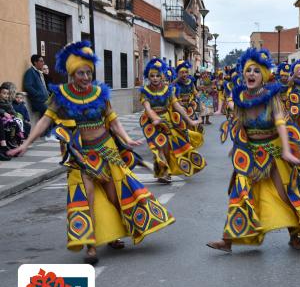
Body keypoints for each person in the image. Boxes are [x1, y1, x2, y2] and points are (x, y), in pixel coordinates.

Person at [9, 41, 175, 264]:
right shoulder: (61, 96)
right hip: (80, 155)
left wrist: (126, 139)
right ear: (71, 73)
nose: (86, 77)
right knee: (85, 199)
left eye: (88, 72)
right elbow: (45, 121)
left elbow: (113, 120)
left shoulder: (99, 92)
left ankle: (115, 234)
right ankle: (90, 246)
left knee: (115, 197)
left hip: (107, 151)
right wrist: (26, 144)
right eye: (81, 73)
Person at [206, 48, 300, 253]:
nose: (251, 74)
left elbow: (280, 123)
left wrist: (287, 151)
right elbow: (239, 124)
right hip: (251, 154)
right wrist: (237, 148)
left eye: (256, 70)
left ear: (264, 75)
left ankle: (294, 235)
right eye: (248, 70)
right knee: (240, 193)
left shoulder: (272, 96)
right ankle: (228, 240)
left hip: (275, 151)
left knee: (286, 194)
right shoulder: (240, 96)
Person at [139, 58, 206, 184]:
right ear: (148, 76)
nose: (155, 78)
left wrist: (190, 121)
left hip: (168, 120)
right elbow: (147, 109)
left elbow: (177, 107)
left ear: (162, 75)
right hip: (151, 122)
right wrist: (155, 119)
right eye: (152, 75)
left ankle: (162, 172)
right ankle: (164, 173)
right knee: (160, 144)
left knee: (167, 146)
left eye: (158, 75)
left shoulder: (168, 90)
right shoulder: (145, 92)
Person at [23, 54, 55, 141]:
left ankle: (47, 134)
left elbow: (43, 87)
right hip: (38, 101)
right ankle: (48, 135)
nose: (43, 63)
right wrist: (38, 94)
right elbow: (28, 86)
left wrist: (47, 94)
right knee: (49, 112)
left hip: (45, 99)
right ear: (35, 62)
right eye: (41, 61)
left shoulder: (38, 72)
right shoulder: (30, 72)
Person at [0, 82, 25, 149]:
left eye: (8, 94)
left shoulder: (7, 101)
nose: (6, 95)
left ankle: (18, 138)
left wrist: (14, 114)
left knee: (18, 121)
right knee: (12, 123)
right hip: (3, 117)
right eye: (4, 93)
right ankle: (12, 140)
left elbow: (12, 110)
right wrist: (4, 113)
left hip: (8, 117)